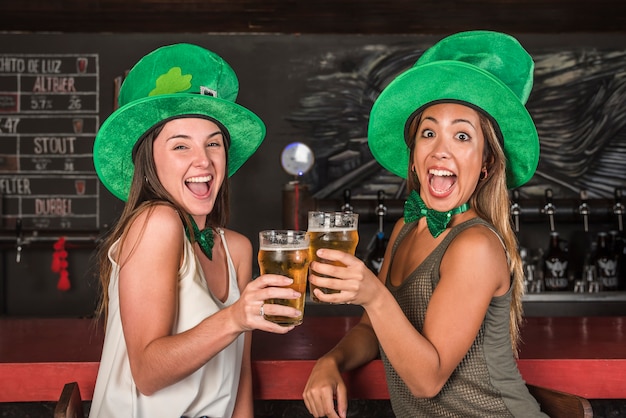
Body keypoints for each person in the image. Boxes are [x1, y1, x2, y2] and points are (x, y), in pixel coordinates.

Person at [302, 31, 548, 417]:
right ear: (414, 158)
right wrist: (330, 361)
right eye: (428, 133)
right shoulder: (404, 230)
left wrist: (372, 292)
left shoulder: (476, 246)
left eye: (462, 136)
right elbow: (371, 331)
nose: (440, 150)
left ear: (486, 164)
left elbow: (426, 380)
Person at [89, 43, 302, 418]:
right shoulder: (156, 222)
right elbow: (148, 374)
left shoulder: (235, 247)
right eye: (181, 146)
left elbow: (240, 382)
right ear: (150, 159)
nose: (202, 160)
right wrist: (235, 317)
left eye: (213, 144)